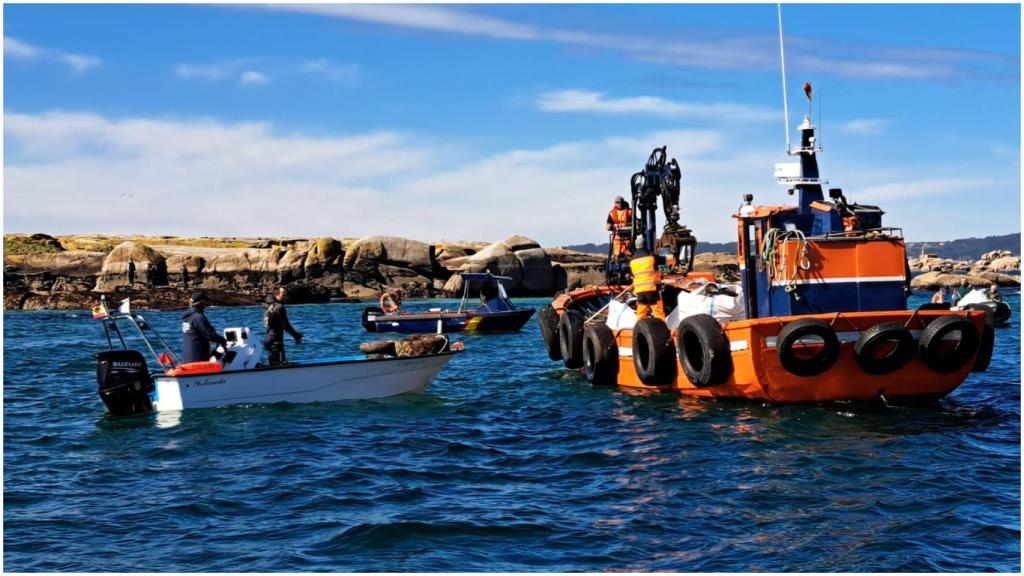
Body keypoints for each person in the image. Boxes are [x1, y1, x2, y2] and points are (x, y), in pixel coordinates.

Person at [181, 292, 226, 363]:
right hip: (198, 360)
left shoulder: (187, 317)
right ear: (200, 303)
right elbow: (210, 335)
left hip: (188, 360)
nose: (205, 305)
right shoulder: (198, 317)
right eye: (205, 303)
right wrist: (222, 340)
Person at [263, 286, 303, 366]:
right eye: (283, 294)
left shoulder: (268, 306)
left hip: (268, 340)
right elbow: (286, 325)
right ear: (276, 295)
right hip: (275, 343)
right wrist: (296, 336)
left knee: (273, 366)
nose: (285, 296)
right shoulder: (279, 307)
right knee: (281, 366)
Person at [630, 236, 665, 320]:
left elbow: (634, 275)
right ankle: (662, 327)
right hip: (652, 290)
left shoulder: (632, 261)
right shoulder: (651, 257)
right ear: (646, 245)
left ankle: (638, 327)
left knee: (641, 315)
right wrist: (672, 257)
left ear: (636, 246)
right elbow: (664, 260)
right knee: (658, 313)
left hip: (640, 292)